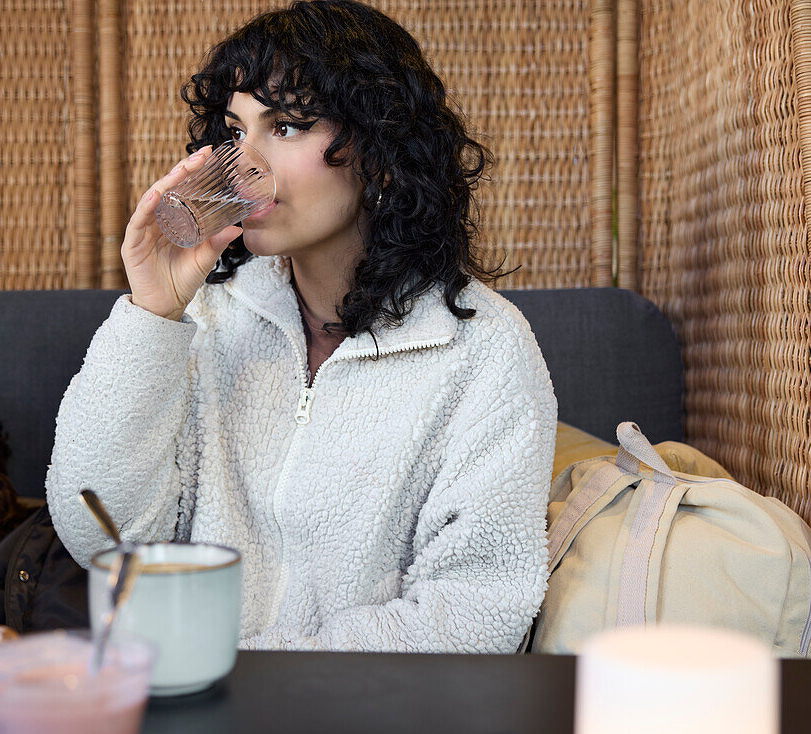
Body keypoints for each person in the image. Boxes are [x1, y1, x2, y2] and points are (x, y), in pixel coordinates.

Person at [45, 0, 557, 653]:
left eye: (287, 126)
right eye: (235, 130)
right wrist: (153, 314)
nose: (243, 162)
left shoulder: (483, 347)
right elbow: (102, 535)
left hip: (360, 713)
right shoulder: (207, 315)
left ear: (383, 150)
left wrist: (251, 674)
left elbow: (473, 613)